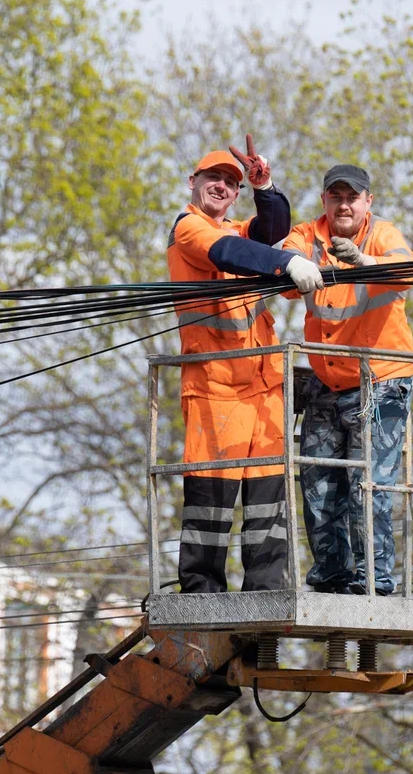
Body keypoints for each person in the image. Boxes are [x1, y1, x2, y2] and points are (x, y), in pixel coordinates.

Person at [167, 137, 324, 593]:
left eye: (230, 183)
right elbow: (230, 254)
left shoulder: (236, 230)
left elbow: (268, 228)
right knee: (211, 496)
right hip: (215, 385)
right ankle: (201, 590)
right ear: (192, 184)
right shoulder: (189, 230)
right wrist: (288, 262)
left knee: (267, 496)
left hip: (263, 386)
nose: (221, 186)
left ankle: (265, 589)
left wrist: (265, 186)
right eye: (212, 178)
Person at [282, 164, 413, 596]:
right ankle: (331, 576)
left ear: (367, 202)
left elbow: (406, 271)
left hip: (380, 380)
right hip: (327, 378)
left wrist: (365, 263)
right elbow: (284, 260)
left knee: (367, 486)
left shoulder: (382, 235)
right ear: (324, 200)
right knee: (318, 485)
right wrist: (292, 264)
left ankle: (373, 579)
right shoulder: (309, 235)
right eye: (335, 196)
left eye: (352, 197)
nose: (343, 204)